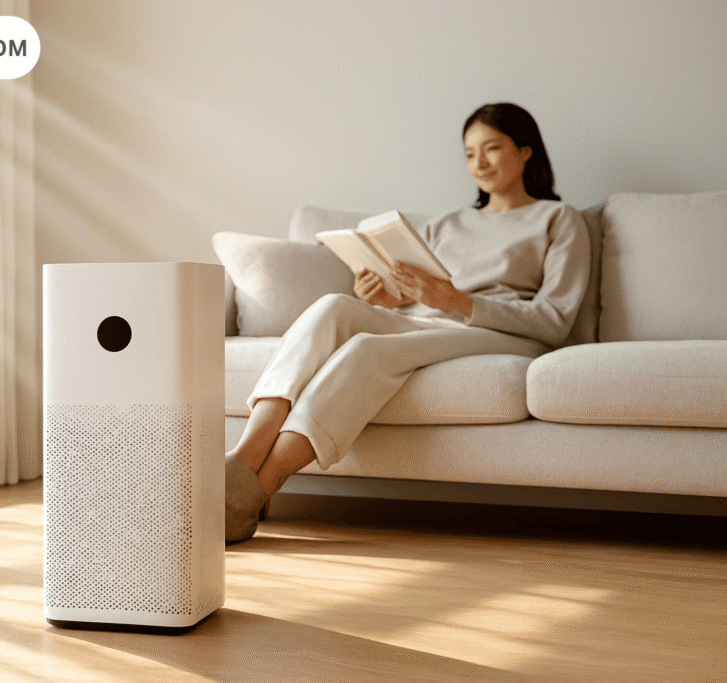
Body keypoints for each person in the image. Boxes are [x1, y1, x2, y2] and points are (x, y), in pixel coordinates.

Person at [225, 102, 591, 543]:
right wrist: (387, 298)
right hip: (429, 321)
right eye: (470, 153)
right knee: (333, 307)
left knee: (367, 350)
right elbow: (421, 295)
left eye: (492, 148)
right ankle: (245, 457)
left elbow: (555, 320)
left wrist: (456, 300)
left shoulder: (559, 219)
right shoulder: (448, 224)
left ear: (527, 150)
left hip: (501, 333)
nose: (480, 163)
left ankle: (258, 490)